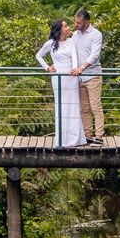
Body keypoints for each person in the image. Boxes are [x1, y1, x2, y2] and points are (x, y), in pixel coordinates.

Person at [35, 19, 87, 148]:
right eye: (65, 26)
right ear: (59, 30)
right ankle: (62, 139)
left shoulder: (71, 42)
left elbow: (74, 57)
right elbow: (38, 56)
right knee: (61, 106)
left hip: (71, 78)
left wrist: (75, 69)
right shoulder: (51, 43)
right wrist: (47, 68)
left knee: (73, 105)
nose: (68, 28)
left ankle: (76, 138)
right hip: (58, 78)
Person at [70, 8, 104, 144]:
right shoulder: (75, 35)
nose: (76, 25)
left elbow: (94, 55)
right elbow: (71, 53)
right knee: (84, 108)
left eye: (78, 22)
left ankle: (99, 136)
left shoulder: (96, 35)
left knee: (96, 106)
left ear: (87, 22)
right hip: (79, 77)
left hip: (93, 76)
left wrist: (82, 68)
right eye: (75, 22)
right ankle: (88, 135)